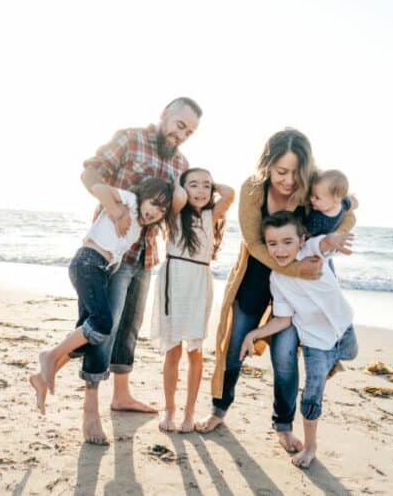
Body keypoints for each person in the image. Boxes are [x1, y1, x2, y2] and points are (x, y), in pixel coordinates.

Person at [197, 128, 356, 456]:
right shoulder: (253, 188)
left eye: (295, 172)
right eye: (281, 172)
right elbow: (254, 243)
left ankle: (283, 426)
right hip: (257, 275)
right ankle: (219, 409)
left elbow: (346, 214)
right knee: (235, 345)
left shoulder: (314, 185)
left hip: (298, 289)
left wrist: (335, 236)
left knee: (285, 358)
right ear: (267, 165)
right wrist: (296, 267)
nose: (288, 180)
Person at [78, 98, 202, 442]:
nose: (181, 135)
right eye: (179, 125)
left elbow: (184, 210)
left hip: (147, 256)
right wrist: (114, 208)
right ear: (164, 115)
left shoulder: (181, 163)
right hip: (112, 253)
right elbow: (90, 171)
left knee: (129, 328)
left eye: (189, 132)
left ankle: (121, 394)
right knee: (105, 326)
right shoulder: (130, 139)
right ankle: (90, 409)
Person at [29, 177, 175, 444]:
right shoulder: (129, 202)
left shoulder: (140, 228)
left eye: (161, 209)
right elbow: (97, 188)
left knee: (88, 337)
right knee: (102, 325)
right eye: (153, 202)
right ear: (142, 196)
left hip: (100, 270)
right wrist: (118, 211)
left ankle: (41, 378)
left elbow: (116, 251)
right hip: (88, 263)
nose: (154, 210)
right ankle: (49, 356)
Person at [239, 210, 358, 468]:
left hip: (344, 327)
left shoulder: (313, 252)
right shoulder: (277, 279)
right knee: (312, 396)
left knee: (350, 354)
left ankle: (330, 365)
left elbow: (325, 242)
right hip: (316, 342)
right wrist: (254, 334)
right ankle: (311, 447)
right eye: (272, 244)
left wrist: (335, 237)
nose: (280, 250)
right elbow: (283, 319)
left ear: (302, 240)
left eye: (287, 242)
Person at [150, 168, 235, 433]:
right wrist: (179, 184)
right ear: (183, 188)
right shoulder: (175, 214)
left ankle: (189, 413)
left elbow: (230, 193)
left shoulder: (211, 215)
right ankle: (169, 410)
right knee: (173, 350)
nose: (200, 191)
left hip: (199, 282)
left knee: (194, 350)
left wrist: (211, 183)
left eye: (206, 186)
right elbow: (177, 197)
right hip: (174, 279)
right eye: (194, 185)